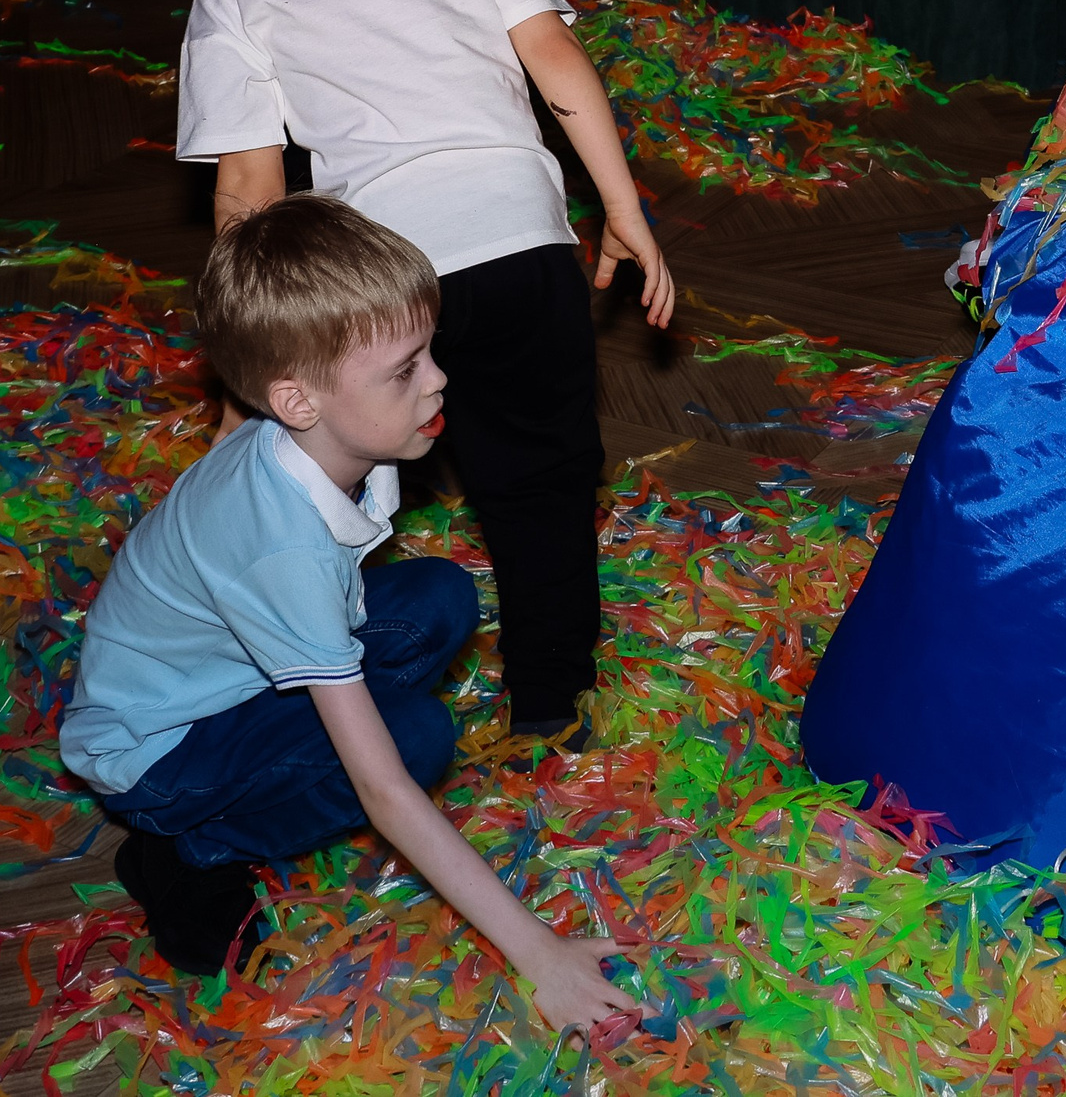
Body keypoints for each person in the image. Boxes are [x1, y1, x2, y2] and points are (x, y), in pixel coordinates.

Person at [176, 0, 673, 744]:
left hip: (384, 286)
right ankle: (551, 706)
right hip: (529, 248)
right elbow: (554, 58)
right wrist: (623, 208)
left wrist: (248, 360)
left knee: (326, 487)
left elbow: (250, 192)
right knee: (541, 483)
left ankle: (332, 697)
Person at [60, 196, 641, 1026]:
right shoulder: (282, 548)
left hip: (222, 674)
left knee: (440, 595)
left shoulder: (327, 440)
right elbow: (385, 791)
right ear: (298, 400)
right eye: (404, 370)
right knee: (413, 740)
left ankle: (278, 761)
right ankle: (189, 850)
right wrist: (539, 953)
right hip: (157, 748)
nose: (437, 378)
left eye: (429, 349)